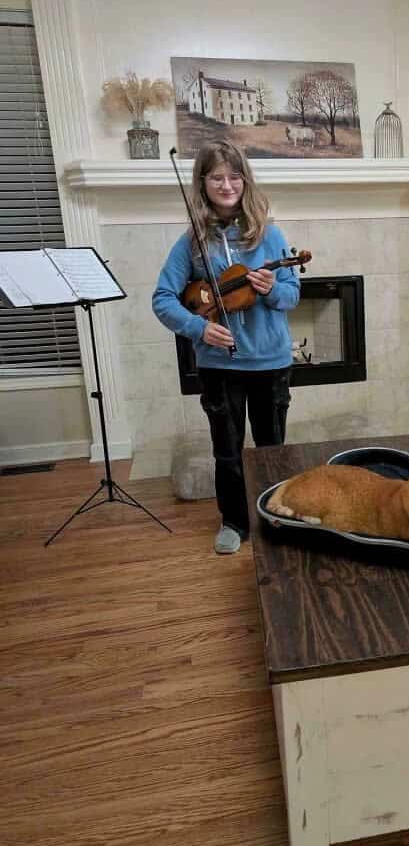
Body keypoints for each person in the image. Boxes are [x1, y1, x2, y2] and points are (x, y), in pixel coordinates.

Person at [153, 139, 299, 554]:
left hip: (270, 361)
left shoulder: (270, 236)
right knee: (227, 451)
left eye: (234, 176)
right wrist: (199, 329)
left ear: (245, 181)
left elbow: (291, 294)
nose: (227, 184)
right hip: (220, 365)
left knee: (272, 448)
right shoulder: (192, 243)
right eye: (217, 177)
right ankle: (234, 521)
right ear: (202, 183)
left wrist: (272, 289)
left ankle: (275, 515)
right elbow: (162, 299)